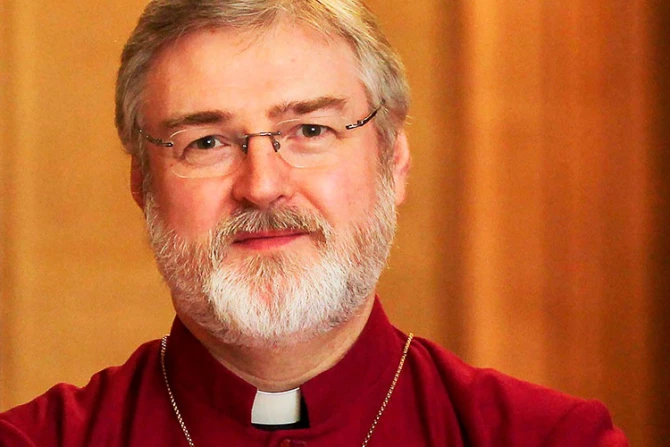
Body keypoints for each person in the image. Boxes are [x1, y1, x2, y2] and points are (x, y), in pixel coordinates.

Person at [0, 1, 628, 445]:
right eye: (206, 142)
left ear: (393, 160)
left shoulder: (551, 438)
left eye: (310, 130)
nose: (262, 185)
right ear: (142, 185)